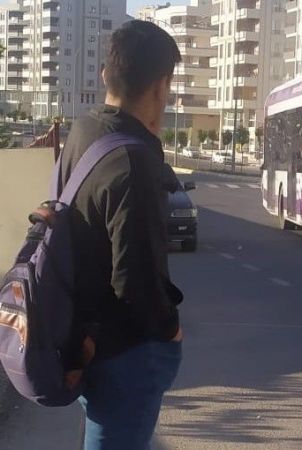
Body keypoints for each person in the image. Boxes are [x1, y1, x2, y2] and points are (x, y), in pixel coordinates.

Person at [59, 20, 184, 450]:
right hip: (124, 354)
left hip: (83, 338)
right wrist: (171, 332)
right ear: (160, 86)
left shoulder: (84, 131)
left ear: (106, 75)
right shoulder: (133, 162)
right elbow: (136, 283)